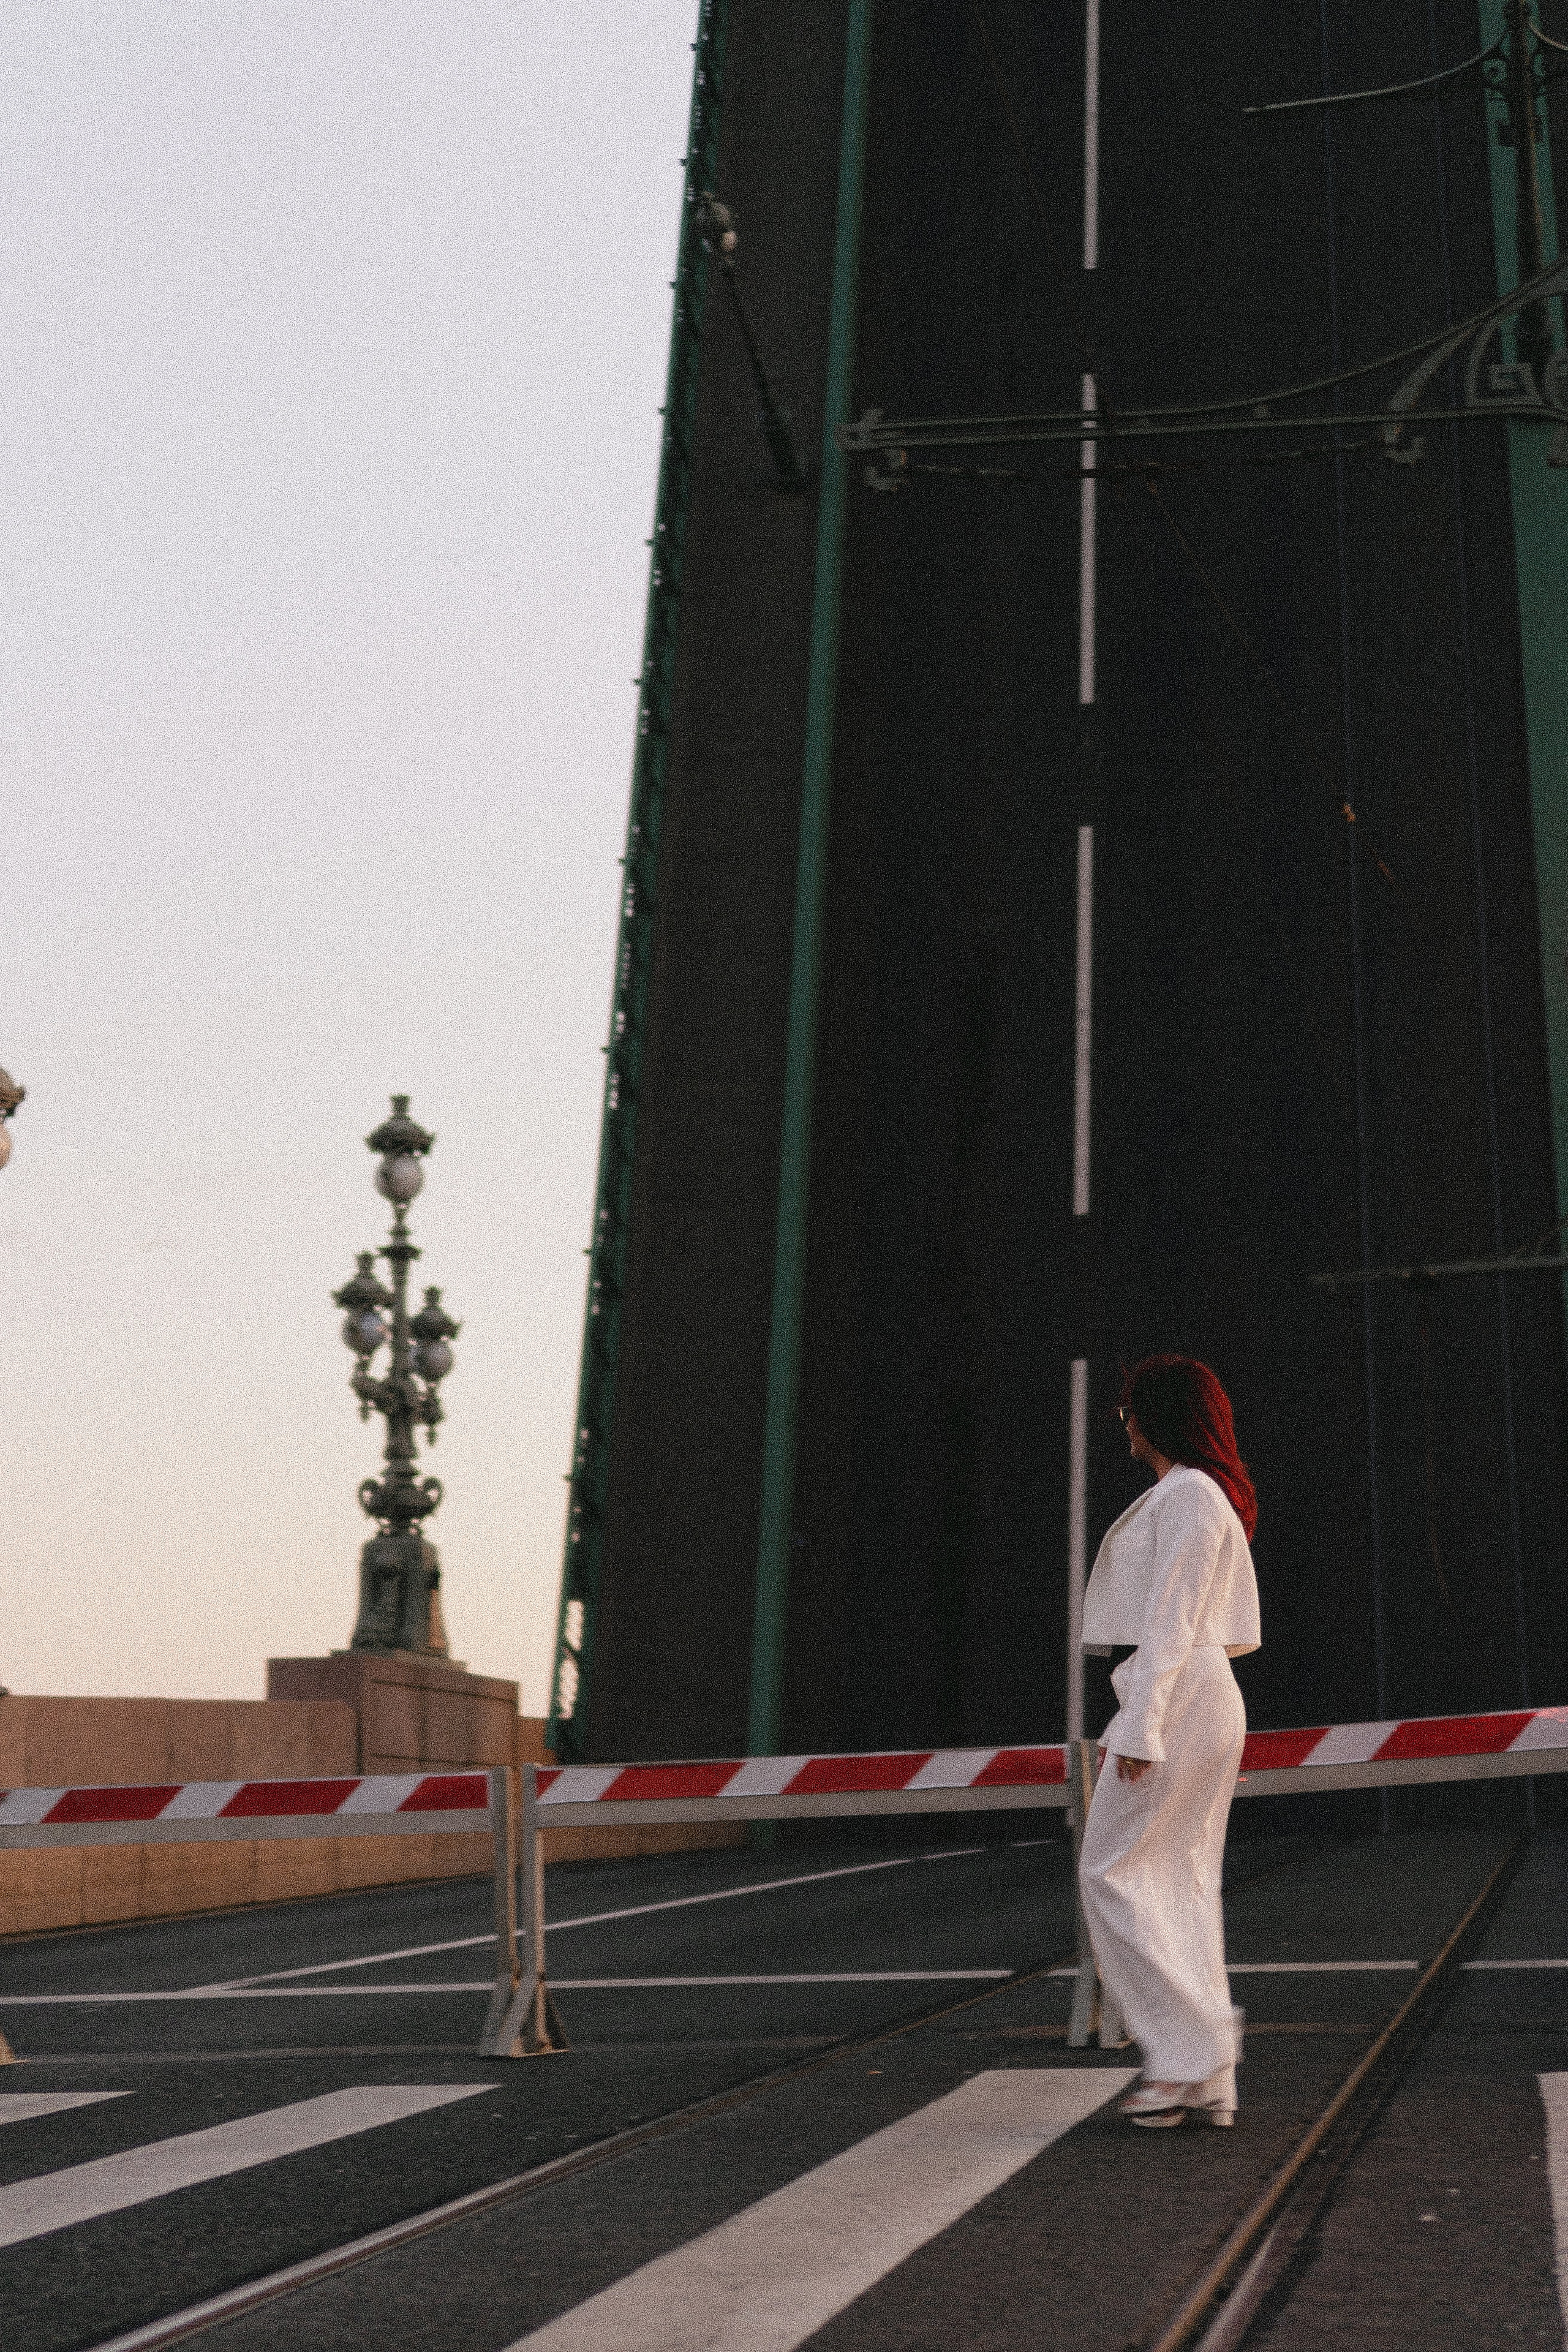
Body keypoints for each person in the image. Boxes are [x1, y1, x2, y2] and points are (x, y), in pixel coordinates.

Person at [1077, 1354, 1261, 2128]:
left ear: (1154, 1418)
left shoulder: (1187, 1494)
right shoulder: (1201, 1494)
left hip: (1179, 1692)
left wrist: (1142, 1724)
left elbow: (1171, 1619)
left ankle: (1192, 2052)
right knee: (1182, 1881)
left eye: (1127, 1411)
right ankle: (1204, 2079)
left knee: (1111, 1871)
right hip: (1202, 1691)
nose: (1122, 1424)